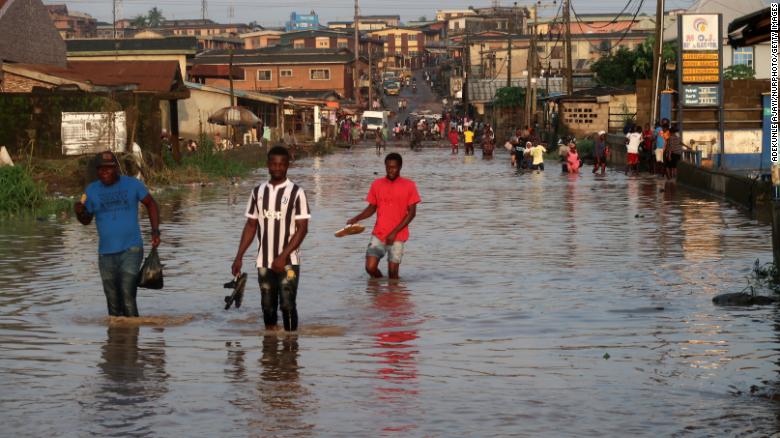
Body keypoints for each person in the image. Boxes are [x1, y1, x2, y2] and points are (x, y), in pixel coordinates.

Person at [232, 146, 311, 332]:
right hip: (264, 262)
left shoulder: (297, 193)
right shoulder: (257, 192)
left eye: (282, 164)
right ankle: (270, 349)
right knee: (267, 305)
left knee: (287, 303)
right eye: (274, 164)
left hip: (289, 263)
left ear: (287, 166)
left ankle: (291, 348)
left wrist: (283, 256)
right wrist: (239, 256)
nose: (277, 168)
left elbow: (303, 229)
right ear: (268, 165)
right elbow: (251, 226)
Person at [73, 151, 161, 317]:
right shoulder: (91, 191)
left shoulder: (133, 185)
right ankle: (116, 339)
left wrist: (155, 231)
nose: (105, 172)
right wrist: (79, 212)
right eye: (101, 169)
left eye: (109, 168)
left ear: (117, 169)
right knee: (112, 300)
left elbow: (151, 204)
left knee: (127, 293)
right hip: (105, 254)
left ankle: (132, 336)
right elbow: (86, 220)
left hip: (131, 249)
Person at [346, 153, 421, 279]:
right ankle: (378, 289)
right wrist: (356, 218)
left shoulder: (409, 185)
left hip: (398, 236)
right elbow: (372, 208)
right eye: (388, 167)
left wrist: (394, 232)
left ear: (400, 167)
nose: (391, 170)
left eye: (394, 167)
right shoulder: (377, 184)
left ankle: (392, 297)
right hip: (379, 234)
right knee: (370, 268)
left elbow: (412, 213)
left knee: (393, 274)